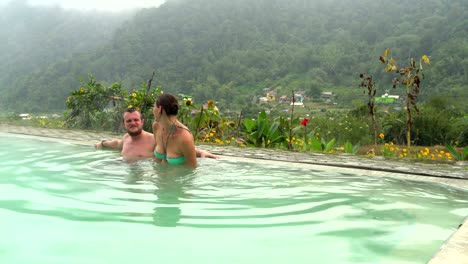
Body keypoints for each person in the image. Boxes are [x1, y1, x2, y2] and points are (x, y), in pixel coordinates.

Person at [95, 108, 217, 162]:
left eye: (136, 120)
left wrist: (201, 153)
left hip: (145, 179)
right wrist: (101, 144)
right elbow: (116, 144)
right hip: (124, 172)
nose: (133, 123)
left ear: (142, 121)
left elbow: (177, 147)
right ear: (124, 124)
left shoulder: (153, 140)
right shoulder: (125, 139)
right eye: (129, 121)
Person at [152, 93, 199, 167]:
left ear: (159, 109)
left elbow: (192, 168)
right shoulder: (156, 126)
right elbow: (157, 159)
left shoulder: (185, 137)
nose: (153, 110)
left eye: (154, 106)